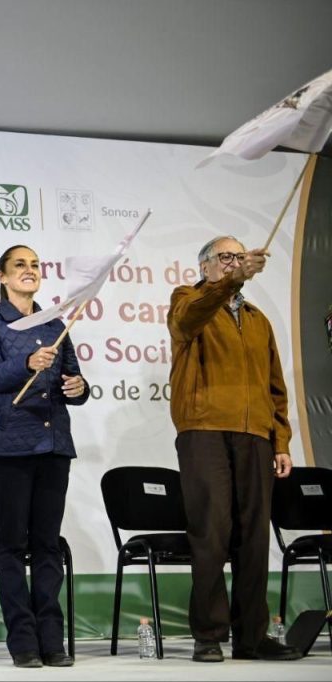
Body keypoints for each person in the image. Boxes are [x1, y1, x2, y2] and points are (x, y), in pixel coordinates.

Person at [168, 236, 302, 663]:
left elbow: (275, 387)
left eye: (239, 257)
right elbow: (187, 323)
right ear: (205, 265)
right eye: (225, 257)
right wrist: (229, 283)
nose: (233, 263)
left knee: (254, 537)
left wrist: (279, 439)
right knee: (211, 533)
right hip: (204, 429)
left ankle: (252, 638)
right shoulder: (188, 299)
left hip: (255, 435)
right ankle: (208, 635)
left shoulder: (259, 319)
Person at [0, 244, 87, 669]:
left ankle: (52, 639)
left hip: (53, 445)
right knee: (12, 545)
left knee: (47, 545)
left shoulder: (56, 323)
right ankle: (22, 640)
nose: (29, 271)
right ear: (1, 276)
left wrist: (79, 388)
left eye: (35, 265)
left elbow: (72, 376)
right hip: (8, 447)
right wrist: (27, 361)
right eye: (20, 265)